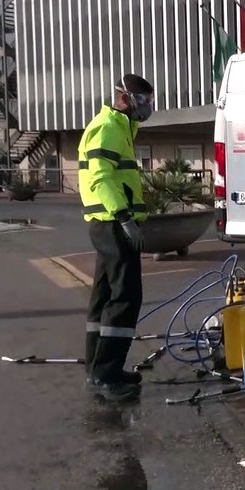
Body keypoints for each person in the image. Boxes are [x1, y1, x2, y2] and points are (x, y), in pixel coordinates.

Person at [79, 74, 155, 403]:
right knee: (125, 297)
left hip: (108, 222)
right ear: (123, 98)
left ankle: (99, 367)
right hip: (112, 222)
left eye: (150, 102)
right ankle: (105, 374)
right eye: (142, 102)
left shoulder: (121, 128)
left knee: (105, 295)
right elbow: (100, 177)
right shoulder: (108, 127)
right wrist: (125, 218)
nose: (146, 109)